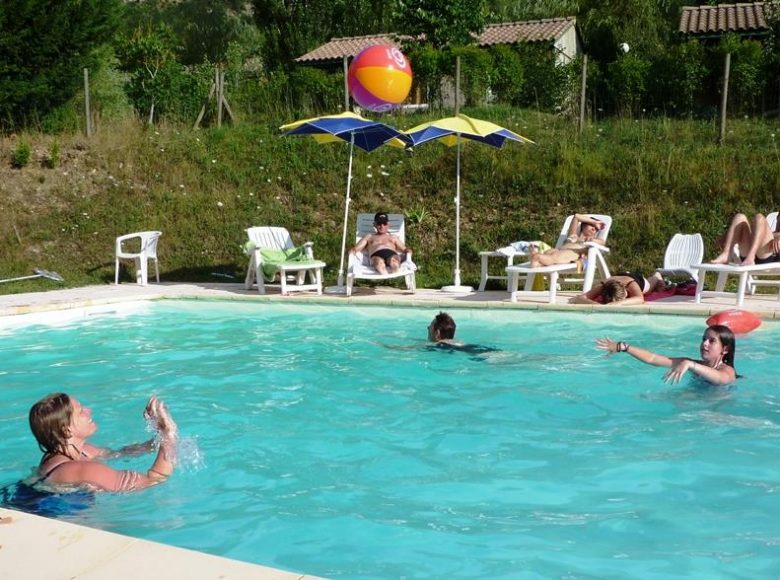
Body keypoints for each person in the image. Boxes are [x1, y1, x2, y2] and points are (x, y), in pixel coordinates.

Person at [28, 393, 178, 492]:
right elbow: (153, 481)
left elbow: (121, 453)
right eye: (80, 412)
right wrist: (169, 434)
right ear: (67, 431)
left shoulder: (83, 451)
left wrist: (160, 433)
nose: (89, 411)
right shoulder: (81, 469)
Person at [595, 324, 737, 385]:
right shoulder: (692, 364)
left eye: (711, 341)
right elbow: (653, 359)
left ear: (725, 350)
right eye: (704, 339)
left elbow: (721, 379)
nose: (704, 344)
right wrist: (623, 347)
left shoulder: (727, 371)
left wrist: (690, 364)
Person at [530, 213, 606, 268]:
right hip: (556, 251)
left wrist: (592, 240)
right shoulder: (573, 235)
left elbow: (602, 243)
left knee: (553, 257)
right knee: (548, 254)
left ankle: (537, 256)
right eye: (592, 225)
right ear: (583, 225)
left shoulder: (591, 240)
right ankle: (537, 261)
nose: (594, 229)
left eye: (596, 229)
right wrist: (595, 222)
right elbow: (576, 216)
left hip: (573, 255)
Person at [710, 212, 780, 266]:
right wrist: (730, 236)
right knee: (740, 217)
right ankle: (726, 254)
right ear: (777, 218)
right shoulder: (768, 232)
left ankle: (751, 256)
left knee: (760, 217)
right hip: (747, 257)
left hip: (769, 259)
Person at [569, 272, 667, 305]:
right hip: (619, 276)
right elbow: (580, 298)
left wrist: (618, 303)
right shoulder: (604, 286)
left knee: (652, 285)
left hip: (637, 280)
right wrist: (595, 304)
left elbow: (640, 299)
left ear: (625, 289)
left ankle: (657, 275)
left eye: (626, 297)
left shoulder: (630, 284)